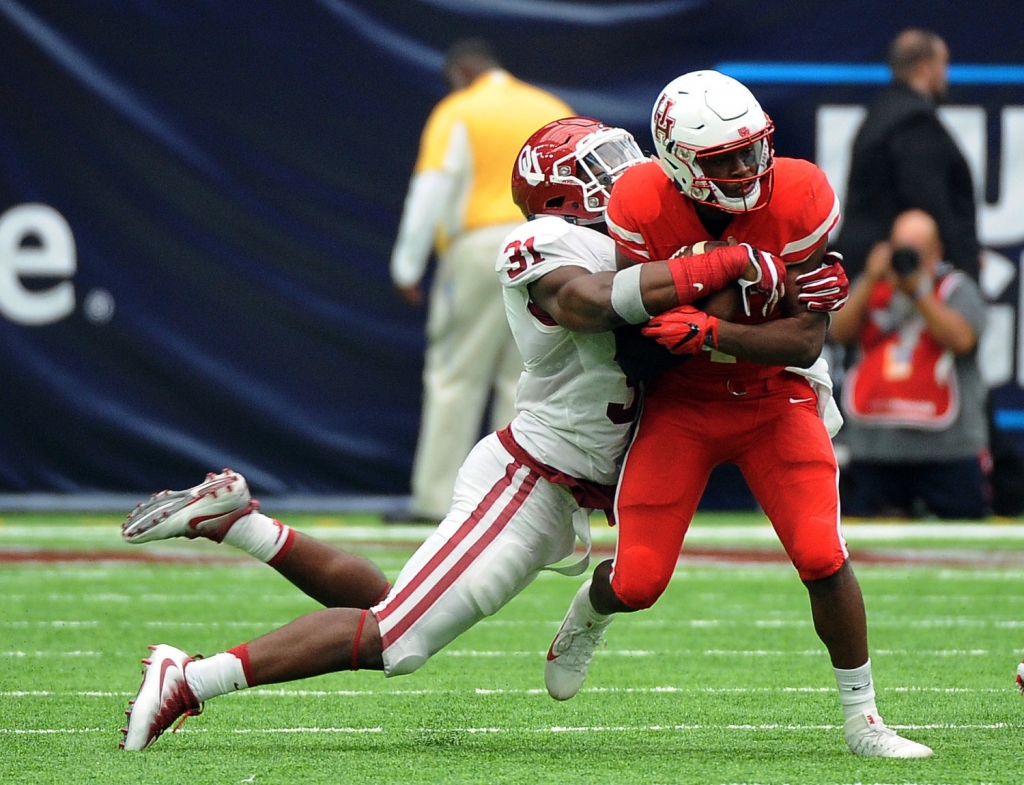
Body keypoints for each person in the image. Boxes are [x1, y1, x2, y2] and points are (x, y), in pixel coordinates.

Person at [119, 117, 846, 752]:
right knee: (396, 638)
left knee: (390, 602)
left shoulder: (653, 232)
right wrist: (723, 265)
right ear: (558, 192)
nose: (625, 174)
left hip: (571, 487)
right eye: (597, 166)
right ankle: (190, 677)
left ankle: (237, 520)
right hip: (531, 478)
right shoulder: (546, 242)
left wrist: (800, 283)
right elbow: (594, 303)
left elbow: (729, 300)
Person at [543, 70, 933, 758]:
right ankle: (588, 614)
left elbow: (804, 339)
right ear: (676, 160)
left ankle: (864, 717)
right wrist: (731, 285)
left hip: (772, 394)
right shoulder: (638, 202)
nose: (746, 168)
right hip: (682, 402)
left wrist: (711, 328)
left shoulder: (802, 191)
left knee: (822, 552)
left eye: (753, 150)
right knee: (636, 581)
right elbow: (639, 343)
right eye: (723, 158)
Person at [387, 38, 574, 524]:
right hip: (547, 246)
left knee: (455, 376)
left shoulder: (459, 109)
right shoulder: (549, 106)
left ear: (461, 72)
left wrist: (407, 266)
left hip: (478, 247)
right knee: (526, 378)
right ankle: (514, 502)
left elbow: (432, 188)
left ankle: (436, 501)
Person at [828, 209, 988, 518]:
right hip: (876, 446)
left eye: (918, 251)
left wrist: (917, 289)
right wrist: (871, 278)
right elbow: (839, 331)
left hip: (947, 449)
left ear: (937, 251)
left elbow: (962, 339)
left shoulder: (956, 288)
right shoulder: (871, 288)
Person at [834, 29, 979, 282]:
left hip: (872, 266)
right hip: (892, 277)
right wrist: (960, 265)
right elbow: (926, 198)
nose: (947, 75)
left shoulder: (882, 114)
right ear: (925, 68)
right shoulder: (913, 121)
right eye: (943, 64)